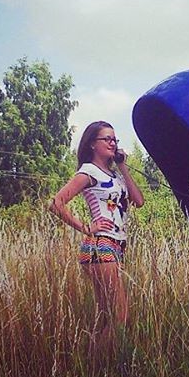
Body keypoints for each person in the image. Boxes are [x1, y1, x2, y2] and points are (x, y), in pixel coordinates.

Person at [50, 120, 144, 360]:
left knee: (107, 317)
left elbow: (138, 201)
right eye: (107, 139)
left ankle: (92, 368)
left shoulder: (114, 174)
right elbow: (56, 203)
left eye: (115, 139)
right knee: (121, 315)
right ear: (93, 144)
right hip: (100, 245)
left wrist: (123, 167)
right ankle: (91, 367)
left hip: (116, 246)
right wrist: (85, 227)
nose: (113, 143)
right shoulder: (88, 172)